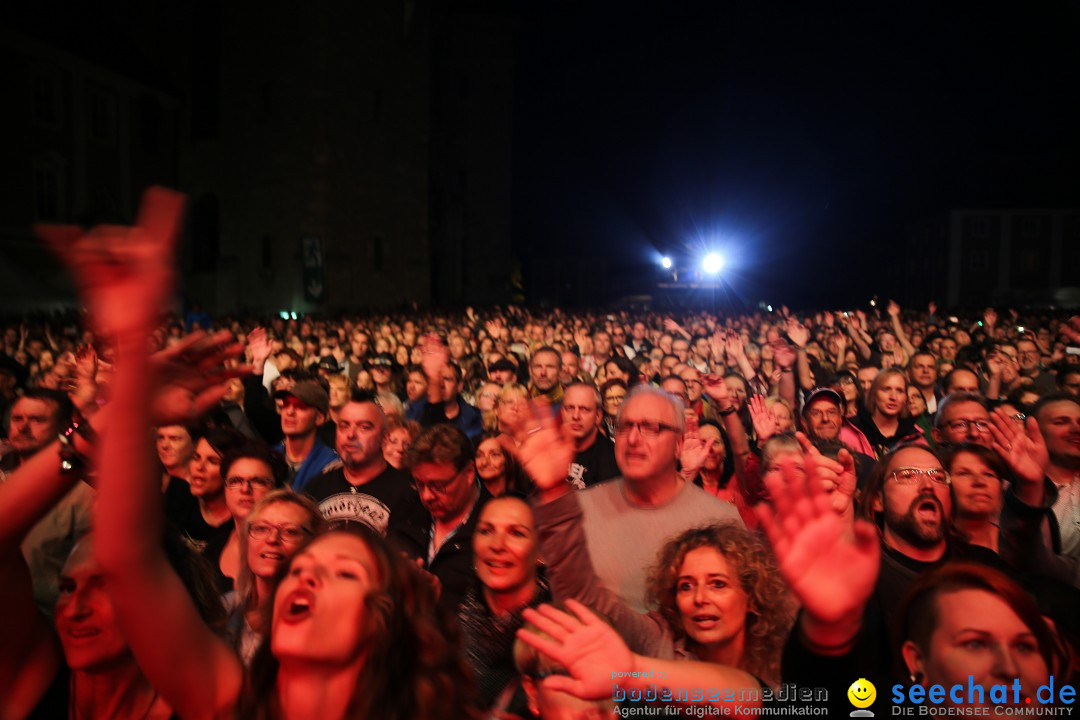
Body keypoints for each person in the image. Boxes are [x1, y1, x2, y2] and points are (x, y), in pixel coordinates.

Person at [54, 187, 480, 720]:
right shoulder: (233, 696)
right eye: (305, 566)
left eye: (343, 573)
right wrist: (132, 381)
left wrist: (623, 690)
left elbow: (618, 698)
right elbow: (125, 561)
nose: (304, 575)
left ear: (386, 619)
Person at [518, 384, 742, 613]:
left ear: (678, 444)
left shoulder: (719, 521)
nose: (633, 438)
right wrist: (551, 492)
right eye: (624, 427)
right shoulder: (578, 509)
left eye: (651, 427)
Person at [459, 496, 551, 715]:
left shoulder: (556, 632)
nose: (497, 545)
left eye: (516, 533)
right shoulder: (450, 622)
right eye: (486, 531)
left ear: (540, 552)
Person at [395, 423, 490, 610]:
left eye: (438, 486)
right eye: (419, 484)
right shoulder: (406, 509)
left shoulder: (494, 523)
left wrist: (441, 601)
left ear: (469, 472)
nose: (427, 496)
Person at [227, 488, 324, 665]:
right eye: (261, 528)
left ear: (315, 545)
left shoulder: (325, 626)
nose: (272, 539)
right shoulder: (223, 612)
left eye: (290, 531)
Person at [304, 399, 414, 535]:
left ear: (384, 438)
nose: (351, 435)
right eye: (344, 426)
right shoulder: (315, 488)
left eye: (364, 427)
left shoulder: (407, 494)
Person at [163, 426, 248, 590]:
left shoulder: (238, 523)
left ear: (232, 472)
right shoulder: (179, 494)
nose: (199, 467)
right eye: (196, 457)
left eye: (212, 461)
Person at [216, 441, 282, 588]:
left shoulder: (286, 549)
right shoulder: (214, 545)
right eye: (236, 481)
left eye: (258, 481)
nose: (245, 489)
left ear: (276, 490)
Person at [272, 380, 341, 492]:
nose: (289, 412)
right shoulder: (270, 457)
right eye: (286, 404)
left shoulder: (332, 465)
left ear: (319, 418)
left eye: (300, 406)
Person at [852, 368, 923, 457]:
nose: (893, 397)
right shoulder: (851, 431)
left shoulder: (916, 437)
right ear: (874, 394)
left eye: (899, 391)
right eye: (886, 389)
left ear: (905, 397)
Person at [561, 383, 619, 489]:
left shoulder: (614, 459)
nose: (575, 416)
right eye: (570, 408)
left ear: (598, 416)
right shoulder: (548, 450)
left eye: (584, 409)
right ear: (562, 412)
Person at [474, 430, 530, 498]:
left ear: (508, 459)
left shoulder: (526, 498)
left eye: (494, 455)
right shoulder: (471, 500)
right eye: (479, 455)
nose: (484, 462)